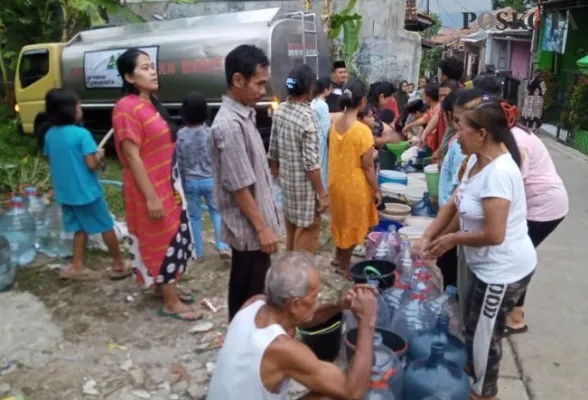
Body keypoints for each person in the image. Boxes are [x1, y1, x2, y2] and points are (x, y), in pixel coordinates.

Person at [416, 91, 537, 400]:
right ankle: (473, 375)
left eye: (461, 130)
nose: (457, 136)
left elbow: (494, 234)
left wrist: (453, 239)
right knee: (473, 328)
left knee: (485, 339)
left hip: (502, 270)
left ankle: (483, 393)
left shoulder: (499, 173)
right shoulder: (475, 161)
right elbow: (457, 205)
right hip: (482, 264)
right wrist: (430, 236)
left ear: (482, 134)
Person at [207, 252, 378, 400]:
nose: (318, 300)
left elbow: (303, 318)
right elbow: (352, 391)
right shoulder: (281, 349)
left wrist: (339, 306)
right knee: (331, 396)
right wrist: (367, 322)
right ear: (295, 304)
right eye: (314, 296)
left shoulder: (255, 303)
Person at [473, 76, 569, 336]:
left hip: (545, 205)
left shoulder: (518, 141)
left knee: (517, 256)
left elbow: (513, 185)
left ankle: (513, 317)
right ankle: (516, 315)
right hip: (539, 202)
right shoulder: (506, 136)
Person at [112, 48, 199, 321]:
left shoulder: (150, 103)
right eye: (144, 67)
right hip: (148, 188)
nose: (152, 71)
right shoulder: (125, 108)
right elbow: (131, 155)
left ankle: (167, 288)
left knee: (176, 235)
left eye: (152, 66)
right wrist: (151, 197)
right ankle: (170, 301)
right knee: (163, 239)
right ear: (128, 76)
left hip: (168, 184)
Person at [210, 44, 281, 322]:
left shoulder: (245, 115)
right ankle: (242, 341)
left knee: (252, 288)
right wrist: (262, 229)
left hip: (255, 226)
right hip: (249, 229)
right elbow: (239, 186)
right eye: (258, 83)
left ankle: (245, 338)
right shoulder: (228, 125)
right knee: (247, 293)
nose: (262, 90)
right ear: (238, 80)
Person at [43, 89, 129, 281]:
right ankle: (118, 263)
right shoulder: (82, 134)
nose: (80, 109)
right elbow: (91, 165)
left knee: (79, 228)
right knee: (106, 225)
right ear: (68, 110)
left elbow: (52, 160)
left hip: (65, 193)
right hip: (86, 192)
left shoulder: (49, 135)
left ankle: (77, 266)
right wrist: (99, 157)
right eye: (78, 106)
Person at [268, 65, 328, 254]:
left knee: (292, 228)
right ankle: (299, 277)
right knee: (307, 231)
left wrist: (276, 171)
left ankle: (288, 269)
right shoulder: (307, 117)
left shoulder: (280, 110)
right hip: (305, 190)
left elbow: (273, 149)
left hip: (287, 185)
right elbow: (311, 165)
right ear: (310, 87)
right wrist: (322, 193)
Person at [329, 81, 380, 279]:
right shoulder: (362, 131)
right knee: (351, 226)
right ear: (363, 101)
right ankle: (343, 266)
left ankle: (337, 259)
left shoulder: (336, 124)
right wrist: (376, 189)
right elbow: (367, 166)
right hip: (354, 186)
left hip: (336, 183)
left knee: (341, 222)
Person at [177, 92, 231, 261]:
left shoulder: (181, 135)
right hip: (210, 179)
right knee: (217, 212)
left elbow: (180, 160)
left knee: (194, 216)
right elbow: (218, 156)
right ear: (206, 112)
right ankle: (222, 246)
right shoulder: (210, 132)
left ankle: (198, 252)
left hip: (190, 182)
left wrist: (182, 183)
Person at [435, 91, 464, 289]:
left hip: (452, 214)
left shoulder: (461, 147)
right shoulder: (458, 143)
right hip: (447, 210)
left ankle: (449, 296)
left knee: (447, 261)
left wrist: (447, 232)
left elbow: (458, 192)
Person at [310, 76, 332, 188]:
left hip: (313, 139)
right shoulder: (323, 105)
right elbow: (326, 129)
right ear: (326, 90)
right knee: (322, 167)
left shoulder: (313, 102)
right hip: (321, 142)